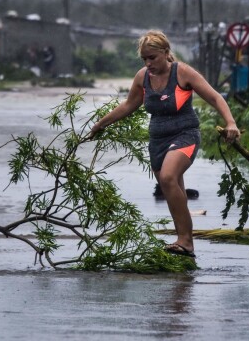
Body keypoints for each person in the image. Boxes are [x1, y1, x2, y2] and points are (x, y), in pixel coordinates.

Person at [89, 30, 240, 258]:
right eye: (144, 59)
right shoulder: (142, 77)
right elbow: (129, 105)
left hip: (185, 135)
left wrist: (230, 122)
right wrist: (100, 124)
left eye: (152, 58)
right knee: (171, 188)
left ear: (166, 53)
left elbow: (215, 97)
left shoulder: (183, 72)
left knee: (168, 177)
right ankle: (183, 242)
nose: (148, 63)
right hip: (157, 140)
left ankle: (186, 241)